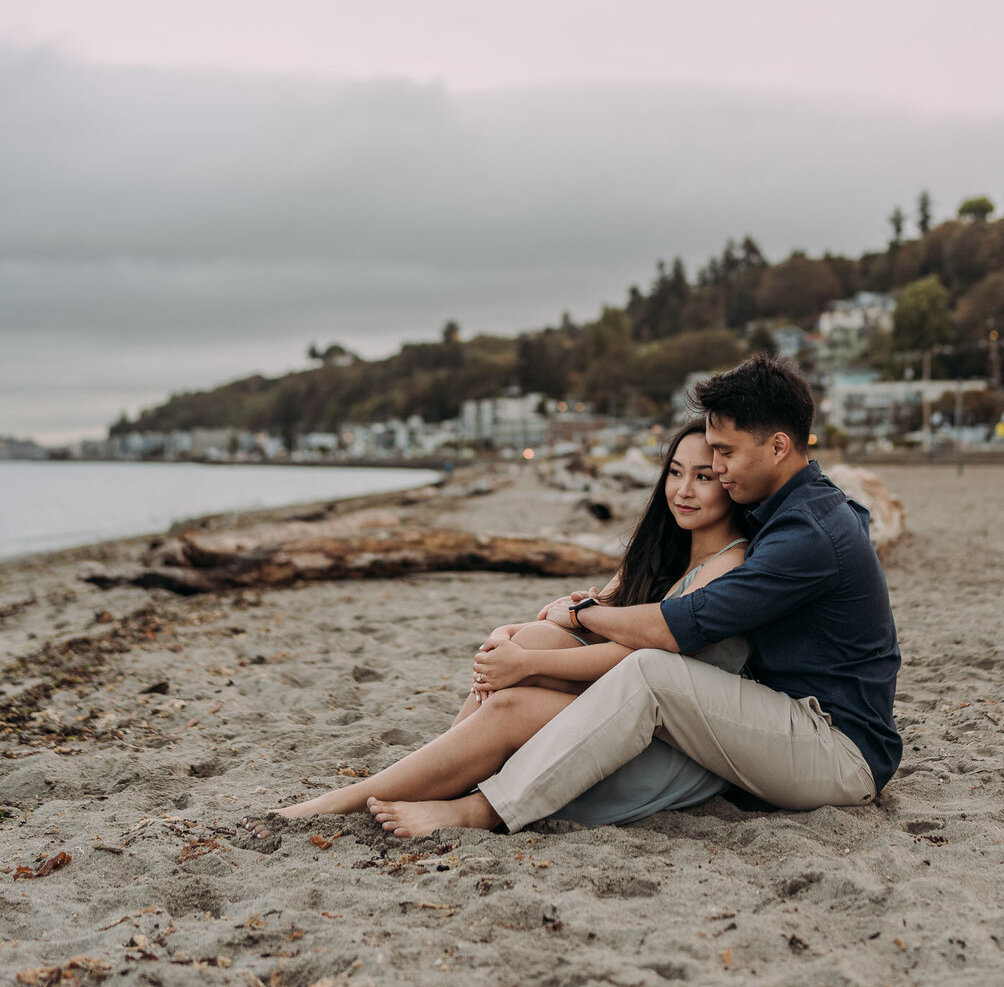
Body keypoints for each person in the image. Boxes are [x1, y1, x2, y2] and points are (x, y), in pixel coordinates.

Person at [345, 352, 902, 836]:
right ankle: (447, 769)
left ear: (779, 446)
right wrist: (570, 622)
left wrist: (585, 613)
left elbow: (676, 626)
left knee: (650, 673)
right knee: (557, 652)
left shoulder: (808, 533)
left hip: (837, 750)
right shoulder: (784, 512)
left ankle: (482, 810)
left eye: (725, 456)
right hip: (781, 719)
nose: (718, 471)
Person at [241, 420, 751, 836]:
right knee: (532, 639)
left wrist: (525, 666)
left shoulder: (730, 566)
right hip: (620, 707)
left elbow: (636, 662)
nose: (683, 491)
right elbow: (594, 617)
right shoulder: (664, 551)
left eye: (703, 477)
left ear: (731, 482)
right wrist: (513, 636)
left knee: (514, 694)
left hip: (661, 745)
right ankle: (441, 769)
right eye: (676, 473)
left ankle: (351, 800)